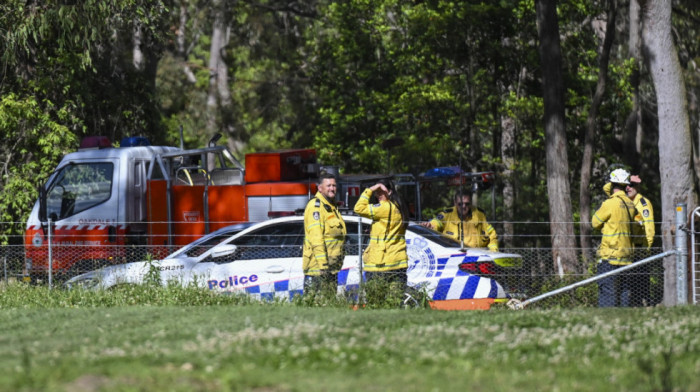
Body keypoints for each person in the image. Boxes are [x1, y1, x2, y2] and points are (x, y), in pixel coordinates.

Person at [604, 174, 655, 306]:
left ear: (638, 186)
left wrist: (646, 249)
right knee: (629, 282)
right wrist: (614, 182)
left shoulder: (643, 203)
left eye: (631, 185)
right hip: (628, 248)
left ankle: (645, 305)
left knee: (641, 281)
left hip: (640, 248)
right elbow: (606, 189)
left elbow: (649, 227)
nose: (628, 188)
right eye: (625, 185)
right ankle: (632, 306)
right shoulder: (624, 201)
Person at [353, 178, 409, 294]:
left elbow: (358, 208)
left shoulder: (384, 207)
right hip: (398, 262)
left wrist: (370, 189)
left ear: (389, 191)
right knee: (395, 299)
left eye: (380, 191)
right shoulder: (399, 206)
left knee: (376, 301)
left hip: (381, 263)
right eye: (376, 192)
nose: (378, 194)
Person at [592, 168, 636, 307]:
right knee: (624, 293)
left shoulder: (609, 204)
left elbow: (595, 222)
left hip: (610, 256)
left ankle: (606, 323)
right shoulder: (630, 204)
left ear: (611, 184)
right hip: (626, 257)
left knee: (607, 293)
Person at [302, 171, 347, 295]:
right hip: (318, 270)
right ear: (320, 188)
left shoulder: (331, 206)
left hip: (331, 269)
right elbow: (316, 238)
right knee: (314, 308)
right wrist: (323, 266)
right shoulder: (316, 207)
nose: (332, 188)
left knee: (328, 308)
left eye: (334, 185)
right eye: (329, 186)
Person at [421, 193, 498, 251]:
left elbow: (492, 235)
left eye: (467, 204)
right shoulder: (447, 215)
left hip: (476, 257)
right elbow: (436, 223)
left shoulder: (479, 214)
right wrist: (430, 226)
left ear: (471, 203)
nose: (464, 206)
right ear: (455, 203)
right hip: (453, 257)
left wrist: (493, 252)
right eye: (460, 204)